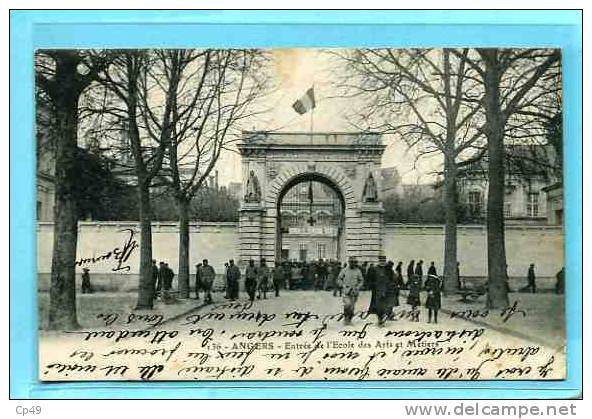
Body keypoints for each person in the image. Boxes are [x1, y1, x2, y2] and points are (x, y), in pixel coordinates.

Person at [337, 257, 364, 325]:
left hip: (354, 292)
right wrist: (343, 285)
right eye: (351, 262)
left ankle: (349, 319)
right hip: (346, 291)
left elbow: (361, 281)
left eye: (354, 262)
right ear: (349, 262)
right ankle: (346, 319)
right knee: (347, 305)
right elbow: (339, 279)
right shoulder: (344, 270)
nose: (353, 263)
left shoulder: (358, 271)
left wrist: (358, 287)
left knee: (352, 307)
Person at [368, 256, 391, 326]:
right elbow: (370, 279)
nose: (382, 262)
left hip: (386, 290)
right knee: (378, 306)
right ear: (379, 261)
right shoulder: (374, 269)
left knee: (385, 306)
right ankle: (379, 319)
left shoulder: (388, 269)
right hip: (377, 290)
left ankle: (382, 317)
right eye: (381, 260)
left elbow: (392, 278)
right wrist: (372, 285)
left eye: (384, 260)